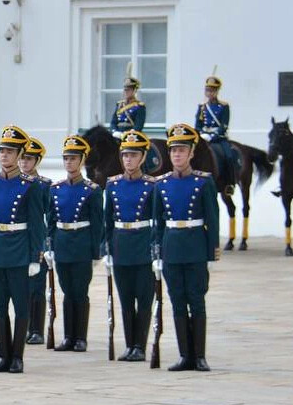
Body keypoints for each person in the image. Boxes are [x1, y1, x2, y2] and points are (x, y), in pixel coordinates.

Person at [0, 125, 46, 374]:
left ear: (19, 155)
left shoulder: (31, 185)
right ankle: (4, 356)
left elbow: (37, 224)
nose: (4, 155)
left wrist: (34, 257)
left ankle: (17, 356)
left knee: (20, 307)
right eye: (2, 151)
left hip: (19, 251)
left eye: (10, 151)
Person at [155, 122, 219, 372]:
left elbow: (212, 219)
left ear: (192, 153)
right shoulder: (161, 184)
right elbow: (158, 222)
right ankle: (185, 355)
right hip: (172, 247)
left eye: (182, 150)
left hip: (194, 247)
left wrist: (211, 250)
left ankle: (199, 355)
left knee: (197, 300)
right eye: (173, 151)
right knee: (178, 301)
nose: (177, 155)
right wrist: (157, 252)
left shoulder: (203, 182)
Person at [45, 135, 104, 352]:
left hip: (81, 244)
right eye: (66, 158)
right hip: (62, 243)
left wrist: (96, 251)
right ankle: (68, 336)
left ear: (82, 161)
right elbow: (51, 220)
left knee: (80, 291)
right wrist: (49, 246)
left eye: (73, 158)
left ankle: (80, 337)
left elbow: (98, 223)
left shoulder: (92, 190)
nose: (69, 162)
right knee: (66, 290)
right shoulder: (56, 189)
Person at [103, 130, 158, 362]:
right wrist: (106, 249)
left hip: (143, 245)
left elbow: (157, 220)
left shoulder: (152, 186)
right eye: (125, 155)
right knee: (125, 298)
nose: (128, 160)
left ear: (143, 158)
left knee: (144, 299)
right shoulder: (113, 185)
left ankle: (141, 346)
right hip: (121, 245)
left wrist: (156, 249)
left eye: (134, 155)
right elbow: (108, 220)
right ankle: (129, 345)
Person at [19, 137, 51, 345]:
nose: (24, 163)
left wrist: (48, 245)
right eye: (22, 158)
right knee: (21, 287)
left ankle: (37, 329)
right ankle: (23, 326)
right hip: (19, 241)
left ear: (37, 161)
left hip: (38, 241)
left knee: (37, 288)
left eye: (29, 159)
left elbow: (48, 216)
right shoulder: (15, 183)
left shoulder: (44, 185)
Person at [194, 74, 238, 192]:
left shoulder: (224, 106)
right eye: (208, 90)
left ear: (217, 91)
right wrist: (202, 133)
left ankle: (229, 183)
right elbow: (197, 125)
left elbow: (224, 125)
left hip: (218, 138)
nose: (210, 93)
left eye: (213, 90)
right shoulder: (202, 107)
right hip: (203, 136)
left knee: (229, 156)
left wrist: (212, 136)